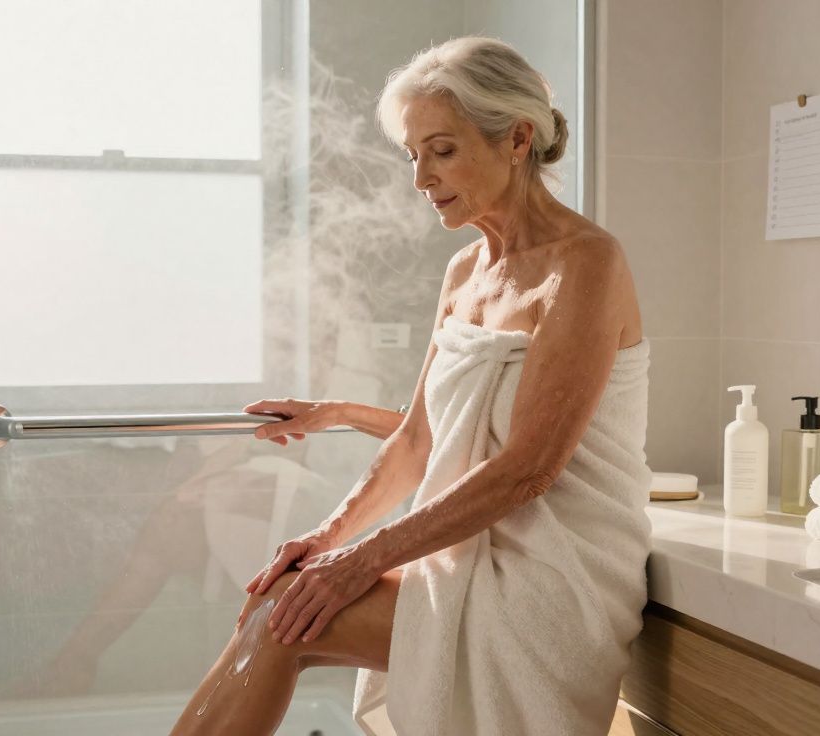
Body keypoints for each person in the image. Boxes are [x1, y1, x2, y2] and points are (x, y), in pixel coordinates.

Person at [170, 36, 652, 736]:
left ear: (518, 139)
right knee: (282, 606)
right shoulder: (464, 273)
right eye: (413, 156)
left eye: (443, 150)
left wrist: (359, 562)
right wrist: (327, 538)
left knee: (284, 618)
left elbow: (529, 469)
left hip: (556, 575)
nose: (422, 178)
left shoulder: (586, 264)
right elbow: (418, 440)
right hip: (467, 557)